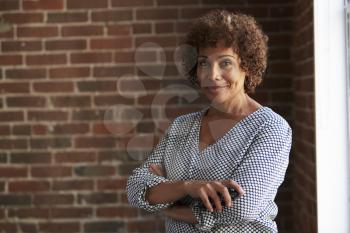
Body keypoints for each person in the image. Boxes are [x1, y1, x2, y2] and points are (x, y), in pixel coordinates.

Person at [126, 9, 292, 233]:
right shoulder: (182, 126)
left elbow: (242, 207)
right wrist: (188, 186)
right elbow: (137, 187)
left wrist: (169, 205)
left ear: (247, 66)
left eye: (225, 63)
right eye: (204, 63)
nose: (212, 74)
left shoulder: (270, 128)